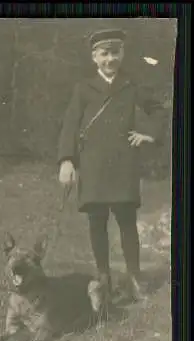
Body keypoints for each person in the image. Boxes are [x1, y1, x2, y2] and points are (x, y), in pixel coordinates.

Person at [57, 28, 165, 302]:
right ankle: (103, 276)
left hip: (123, 162)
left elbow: (159, 109)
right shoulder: (83, 88)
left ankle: (134, 277)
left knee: (127, 220)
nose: (110, 59)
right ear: (94, 57)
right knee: (97, 220)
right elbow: (70, 124)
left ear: (122, 54)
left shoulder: (131, 85)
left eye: (115, 53)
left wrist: (150, 134)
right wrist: (67, 160)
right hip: (92, 162)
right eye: (104, 54)